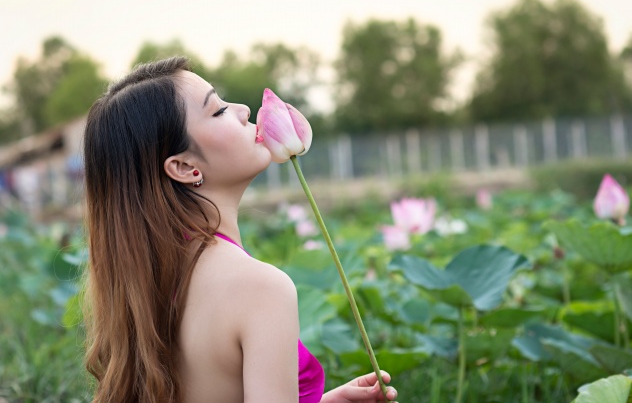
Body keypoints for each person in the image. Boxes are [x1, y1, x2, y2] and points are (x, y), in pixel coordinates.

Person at [82, 56, 398, 403]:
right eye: (218, 110)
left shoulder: (142, 283)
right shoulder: (261, 288)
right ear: (185, 166)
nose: (245, 110)